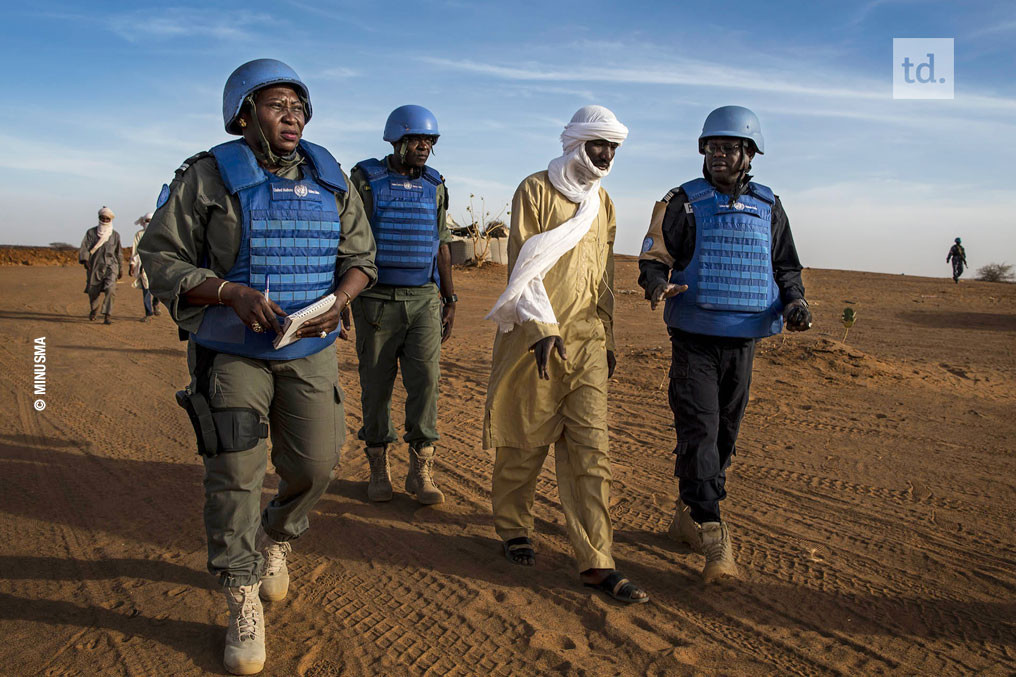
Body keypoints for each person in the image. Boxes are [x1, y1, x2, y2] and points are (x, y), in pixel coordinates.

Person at [138, 59, 377, 675]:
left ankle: (278, 536)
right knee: (236, 473)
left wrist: (341, 301)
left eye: (298, 106)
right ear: (245, 115)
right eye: (276, 105)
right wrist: (228, 293)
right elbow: (160, 257)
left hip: (308, 348)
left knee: (318, 463)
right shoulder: (207, 177)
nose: (291, 115)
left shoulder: (331, 176)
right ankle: (241, 591)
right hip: (231, 349)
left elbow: (360, 256)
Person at [638, 105, 812, 583]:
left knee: (723, 436)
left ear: (749, 154)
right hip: (693, 336)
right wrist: (656, 285)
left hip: (743, 340)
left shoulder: (769, 205)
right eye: (713, 147)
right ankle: (714, 532)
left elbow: (786, 267)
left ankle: (685, 515)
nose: (719, 155)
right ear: (703, 150)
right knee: (700, 427)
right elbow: (654, 258)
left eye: (730, 147)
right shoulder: (684, 202)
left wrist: (795, 303)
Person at [484, 105, 648, 605]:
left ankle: (597, 561)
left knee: (592, 454)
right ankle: (514, 528)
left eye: (613, 148)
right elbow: (523, 264)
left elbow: (604, 279)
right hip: (539, 338)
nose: (605, 156)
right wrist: (541, 327)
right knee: (525, 443)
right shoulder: (534, 189)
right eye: (599, 145)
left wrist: (610, 338)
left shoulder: (605, 204)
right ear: (576, 143)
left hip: (588, 343)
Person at [348, 105, 456, 505]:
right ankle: (378, 465)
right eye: (417, 140)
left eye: (430, 141)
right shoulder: (366, 181)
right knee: (375, 386)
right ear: (396, 141)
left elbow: (441, 243)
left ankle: (421, 467)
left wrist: (450, 297)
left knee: (426, 382)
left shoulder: (435, 184)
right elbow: (346, 239)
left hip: (424, 299)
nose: (424, 147)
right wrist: (341, 297)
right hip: (374, 299)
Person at [78, 206, 122, 324]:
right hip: (94, 266)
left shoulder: (115, 235)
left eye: (107, 218)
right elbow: (84, 247)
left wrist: (120, 269)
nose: (104, 220)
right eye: (102, 218)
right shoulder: (91, 232)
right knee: (93, 291)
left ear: (110, 220)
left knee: (111, 289)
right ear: (99, 218)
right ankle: (94, 309)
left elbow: (118, 253)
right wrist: (85, 260)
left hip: (111, 266)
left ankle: (108, 314)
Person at [130, 212, 161, 321]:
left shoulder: (159, 234)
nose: (149, 223)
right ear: (144, 222)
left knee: (158, 289)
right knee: (146, 291)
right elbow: (135, 251)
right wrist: (132, 264)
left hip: (157, 266)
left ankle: (156, 303)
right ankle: (148, 313)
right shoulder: (139, 235)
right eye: (147, 221)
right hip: (144, 266)